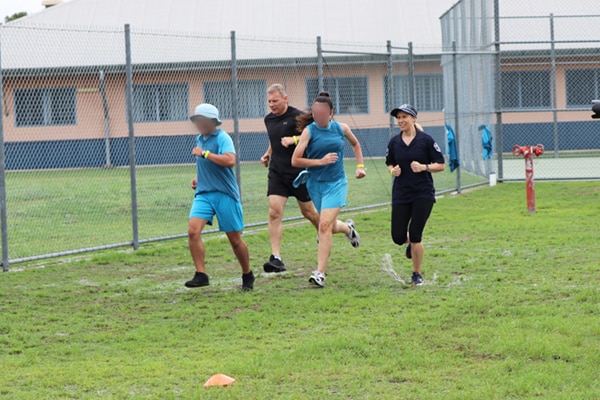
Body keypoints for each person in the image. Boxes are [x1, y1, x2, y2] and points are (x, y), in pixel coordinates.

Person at [291, 92, 366, 287]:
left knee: (323, 226)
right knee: (330, 226)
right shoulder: (309, 131)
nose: (318, 115)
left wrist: (360, 166)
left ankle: (320, 274)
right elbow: (295, 160)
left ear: (331, 113)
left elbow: (356, 144)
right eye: (315, 112)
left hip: (336, 183)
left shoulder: (341, 128)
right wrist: (320, 162)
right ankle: (348, 229)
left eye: (322, 112)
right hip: (315, 184)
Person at [184, 103, 255, 290]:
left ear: (212, 122)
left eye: (202, 120)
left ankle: (247, 274)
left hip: (225, 194)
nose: (198, 123)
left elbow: (230, 160)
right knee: (193, 230)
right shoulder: (200, 138)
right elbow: (209, 164)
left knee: (235, 239)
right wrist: (199, 178)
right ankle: (201, 274)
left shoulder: (223, 138)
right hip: (204, 194)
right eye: (196, 120)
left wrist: (206, 153)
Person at [260, 84, 320, 273]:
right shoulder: (268, 119)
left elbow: (312, 135)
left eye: (275, 101)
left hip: (299, 173)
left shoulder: (299, 117)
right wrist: (268, 153)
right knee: (274, 211)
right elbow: (274, 138)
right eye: (269, 101)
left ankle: (333, 229)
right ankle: (276, 258)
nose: (272, 105)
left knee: (309, 213)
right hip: (277, 173)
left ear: (285, 99)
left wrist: (293, 140)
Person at [386, 104, 445, 286]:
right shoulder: (394, 142)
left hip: (423, 193)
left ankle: (416, 274)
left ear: (414, 118)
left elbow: (441, 164)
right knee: (397, 236)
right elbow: (389, 163)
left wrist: (424, 167)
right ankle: (410, 244)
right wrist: (392, 170)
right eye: (399, 118)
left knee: (416, 233)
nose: (401, 120)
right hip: (401, 193)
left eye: (405, 117)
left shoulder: (425, 140)